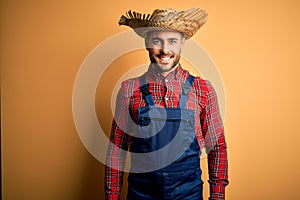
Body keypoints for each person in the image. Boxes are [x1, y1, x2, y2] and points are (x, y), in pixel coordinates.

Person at [105, 8, 229, 200]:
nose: (165, 50)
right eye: (157, 41)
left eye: (172, 41)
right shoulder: (129, 90)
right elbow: (116, 149)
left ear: (182, 43)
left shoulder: (202, 90)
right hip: (141, 195)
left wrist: (217, 196)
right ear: (147, 43)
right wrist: (112, 197)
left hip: (188, 194)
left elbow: (217, 147)